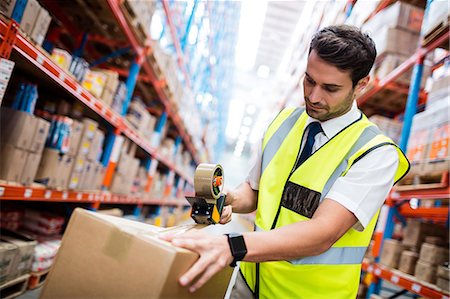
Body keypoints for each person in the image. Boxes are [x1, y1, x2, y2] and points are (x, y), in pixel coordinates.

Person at [161, 24, 410, 299]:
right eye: (309, 80)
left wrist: (232, 247)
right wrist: (230, 197)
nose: (314, 97)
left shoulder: (375, 153)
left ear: (361, 85)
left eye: (330, 88)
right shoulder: (284, 122)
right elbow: (255, 191)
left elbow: (323, 233)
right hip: (249, 283)